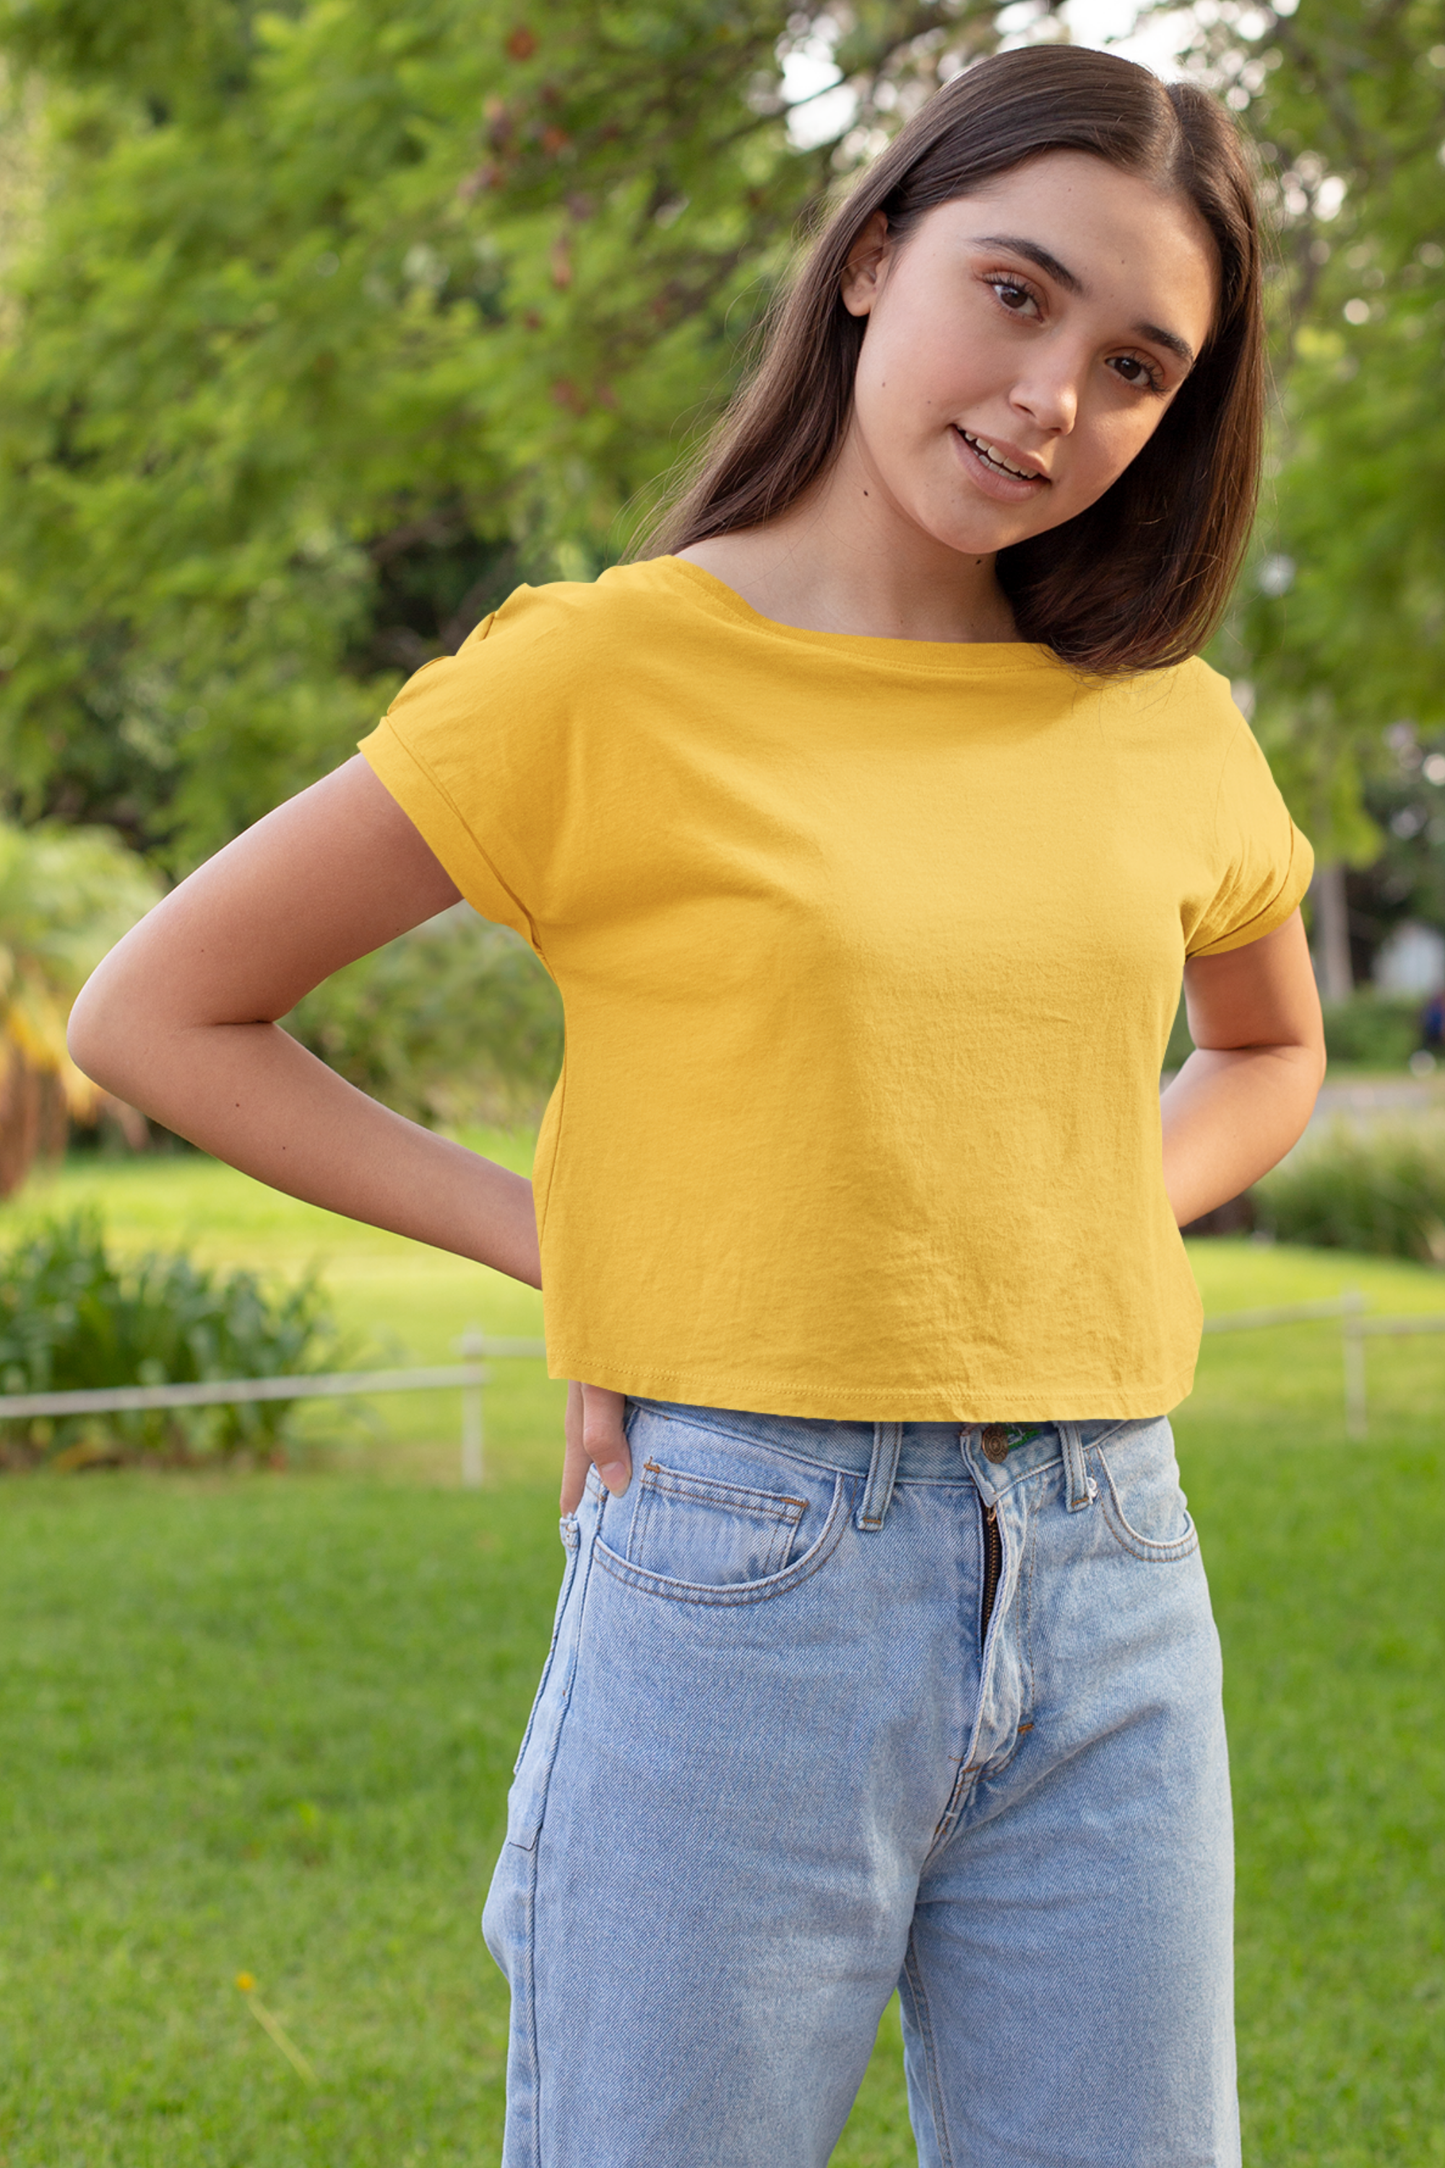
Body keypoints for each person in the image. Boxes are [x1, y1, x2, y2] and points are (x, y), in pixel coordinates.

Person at [69, 43, 1325, 2168]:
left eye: (1134, 367)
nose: (1052, 398)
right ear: (871, 256)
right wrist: (576, 1249)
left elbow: (1269, 1047)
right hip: (745, 1560)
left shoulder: (1161, 718)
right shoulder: (603, 673)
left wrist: (1105, 1203)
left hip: (1115, 1565)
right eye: (1013, 294)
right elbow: (163, 1012)